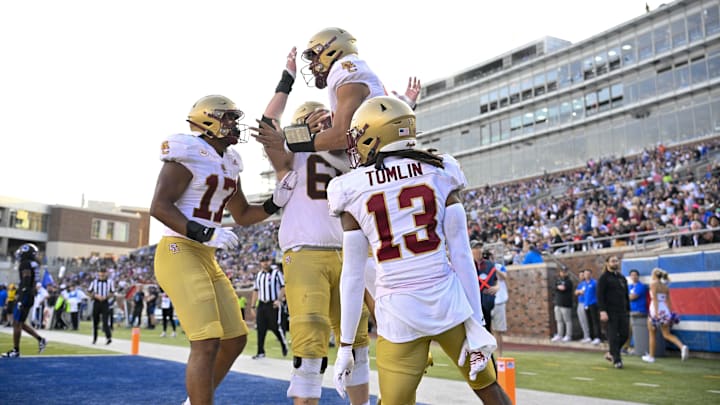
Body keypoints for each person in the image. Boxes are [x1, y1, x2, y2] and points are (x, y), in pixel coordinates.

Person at [328, 96, 511, 404]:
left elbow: (353, 275)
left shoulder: (350, 187)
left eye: (360, 135)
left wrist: (346, 344)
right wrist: (477, 323)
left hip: (398, 313)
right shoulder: (439, 168)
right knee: (489, 391)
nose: (357, 144)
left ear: (376, 133)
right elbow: (463, 255)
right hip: (448, 302)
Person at [149, 94, 297, 405]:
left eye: (233, 118)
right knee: (206, 341)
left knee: (235, 338)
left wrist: (275, 202)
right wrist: (203, 233)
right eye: (227, 117)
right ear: (207, 119)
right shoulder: (187, 150)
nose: (233, 124)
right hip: (179, 249)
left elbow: (242, 214)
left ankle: (194, 400)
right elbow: (159, 207)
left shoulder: (230, 162)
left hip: (205, 254)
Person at [252, 47, 374, 405]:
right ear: (300, 124)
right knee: (310, 340)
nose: (324, 122)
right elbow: (265, 125)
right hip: (305, 254)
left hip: (347, 256)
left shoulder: (346, 154)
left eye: (328, 117)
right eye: (316, 117)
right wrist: (286, 78)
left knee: (358, 340)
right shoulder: (291, 156)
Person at [2, 244, 47, 358]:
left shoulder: (25, 263)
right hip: (29, 294)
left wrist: (21, 297)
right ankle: (40, 339)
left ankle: (16, 350)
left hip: (26, 295)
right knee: (19, 322)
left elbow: (26, 280)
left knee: (16, 323)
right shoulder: (34, 263)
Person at [642, 268, 689, 363]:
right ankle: (682, 346)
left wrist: (656, 313)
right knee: (666, 334)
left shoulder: (653, 284)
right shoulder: (665, 286)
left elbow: (655, 299)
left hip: (656, 309)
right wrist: (670, 314)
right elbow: (668, 301)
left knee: (652, 333)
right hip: (665, 310)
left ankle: (651, 357)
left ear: (654, 275)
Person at [250, 257, 288, 359]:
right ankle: (260, 352)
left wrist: (279, 300)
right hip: (262, 304)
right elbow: (255, 290)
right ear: (260, 263)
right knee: (260, 328)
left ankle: (284, 345)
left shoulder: (276, 273)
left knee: (275, 327)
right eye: (262, 261)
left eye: (266, 261)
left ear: (270, 262)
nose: (265, 263)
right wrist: (253, 306)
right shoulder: (259, 275)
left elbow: (283, 287)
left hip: (273, 303)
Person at [597, 255, 630, 369]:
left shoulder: (621, 278)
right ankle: (617, 360)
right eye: (613, 261)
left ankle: (611, 352)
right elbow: (600, 295)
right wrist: (602, 311)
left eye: (616, 261)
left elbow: (625, 295)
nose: (615, 263)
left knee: (625, 334)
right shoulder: (604, 278)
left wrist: (628, 309)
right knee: (613, 335)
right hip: (610, 311)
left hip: (622, 310)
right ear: (607, 263)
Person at [472, 242, 499, 333]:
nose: (479, 250)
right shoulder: (468, 265)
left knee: (488, 327)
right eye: (476, 248)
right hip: (473, 302)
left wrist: (496, 287)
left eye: (480, 247)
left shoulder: (489, 265)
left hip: (487, 300)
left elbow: (495, 280)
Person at [489, 251, 509, 357]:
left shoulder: (499, 267)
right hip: (487, 301)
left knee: (498, 330)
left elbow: (504, 277)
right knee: (487, 329)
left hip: (499, 302)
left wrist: (494, 269)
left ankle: (499, 355)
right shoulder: (482, 268)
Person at [88, 268, 114, 345]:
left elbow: (112, 292)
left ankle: (108, 337)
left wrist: (105, 297)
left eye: (103, 273)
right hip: (96, 302)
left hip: (105, 303)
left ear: (106, 274)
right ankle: (94, 338)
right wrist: (95, 296)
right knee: (95, 321)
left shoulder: (109, 282)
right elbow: (89, 292)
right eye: (100, 273)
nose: (102, 275)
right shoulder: (94, 282)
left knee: (105, 321)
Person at [628, 269, 649, 354]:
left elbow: (633, 297)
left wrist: (627, 297)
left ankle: (636, 348)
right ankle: (630, 348)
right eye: (632, 275)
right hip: (631, 311)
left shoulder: (641, 286)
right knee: (629, 330)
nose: (633, 276)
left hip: (639, 311)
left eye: (635, 275)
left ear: (638, 276)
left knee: (636, 331)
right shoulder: (629, 286)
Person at [551, 267, 574, 342]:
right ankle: (560, 335)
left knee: (567, 320)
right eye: (562, 272)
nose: (563, 273)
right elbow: (554, 287)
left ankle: (568, 335)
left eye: (564, 272)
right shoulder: (558, 280)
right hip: (558, 303)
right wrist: (558, 287)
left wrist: (558, 287)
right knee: (559, 320)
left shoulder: (569, 281)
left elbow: (563, 288)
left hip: (566, 304)